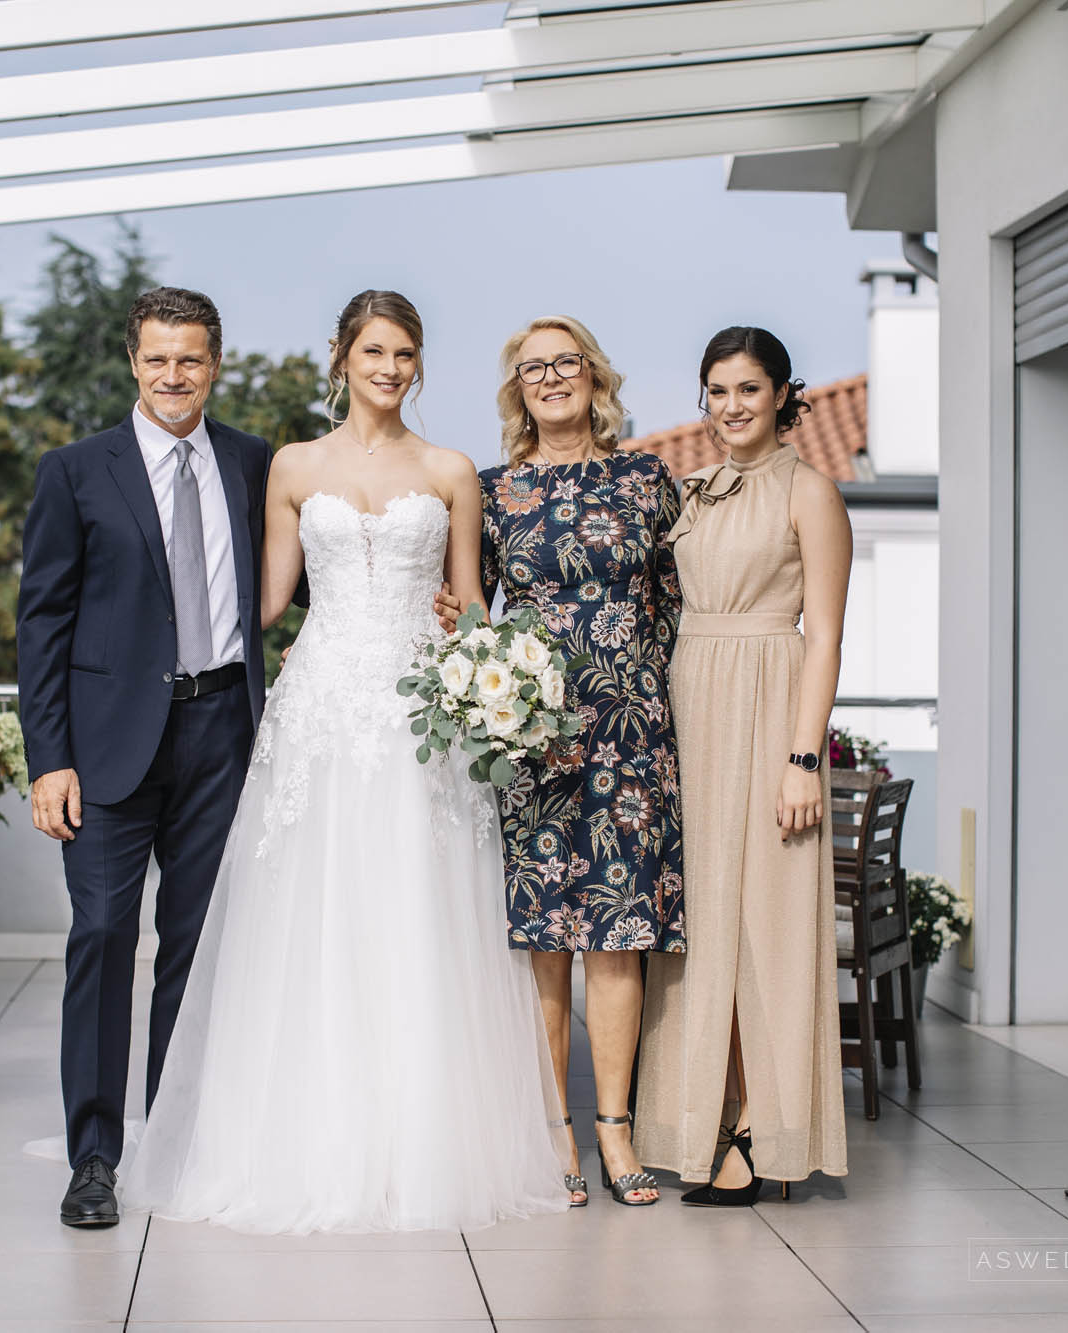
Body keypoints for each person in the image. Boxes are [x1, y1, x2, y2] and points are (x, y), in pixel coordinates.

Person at [123, 291, 569, 1233]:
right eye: (374, 349)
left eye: (405, 352)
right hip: (320, 706)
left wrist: (482, 650)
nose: (391, 366)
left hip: (419, 716)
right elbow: (269, 600)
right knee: (312, 917)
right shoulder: (292, 465)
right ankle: (302, 1139)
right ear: (341, 354)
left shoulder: (451, 469)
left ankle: (419, 1145)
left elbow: (471, 602)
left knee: (411, 910)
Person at [16, 287, 275, 1230]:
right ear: (135, 361)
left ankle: (176, 1138)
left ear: (216, 363)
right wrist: (49, 758)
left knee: (199, 950)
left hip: (221, 735)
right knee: (101, 936)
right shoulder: (77, 471)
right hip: (107, 745)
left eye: (193, 359)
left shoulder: (252, 463)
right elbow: (40, 622)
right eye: (159, 359)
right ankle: (94, 1155)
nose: (175, 376)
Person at [439, 315, 683, 1207]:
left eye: (564, 363)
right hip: (531, 737)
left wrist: (641, 692)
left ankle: (616, 1130)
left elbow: (671, 605)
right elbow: (473, 612)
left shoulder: (648, 478)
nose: (550, 379)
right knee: (543, 939)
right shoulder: (493, 492)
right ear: (517, 389)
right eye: (532, 368)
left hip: (630, 730)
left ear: (594, 376)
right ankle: (553, 1129)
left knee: (618, 937)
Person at [635, 326, 853, 1203]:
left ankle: (769, 1123)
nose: (730, 406)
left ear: (780, 395)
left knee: (769, 920)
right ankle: (707, 1122)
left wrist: (804, 756)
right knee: (697, 924)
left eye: (748, 390)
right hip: (692, 698)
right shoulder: (688, 494)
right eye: (716, 391)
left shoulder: (812, 492)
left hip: (772, 700)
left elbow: (827, 633)